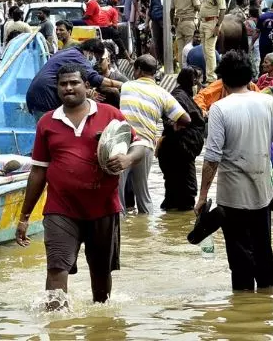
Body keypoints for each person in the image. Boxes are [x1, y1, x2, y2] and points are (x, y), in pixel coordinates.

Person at [16, 63, 147, 309]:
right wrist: (24, 216)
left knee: (101, 273)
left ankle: (102, 324)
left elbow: (140, 146)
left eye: (74, 83)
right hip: (60, 209)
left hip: (103, 208)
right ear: (57, 88)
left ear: (87, 86)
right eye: (63, 84)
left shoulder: (111, 114)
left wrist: (128, 158)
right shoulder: (47, 122)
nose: (68, 88)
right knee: (56, 268)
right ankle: (57, 325)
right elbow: (38, 171)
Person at [196, 51, 273, 291]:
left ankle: (242, 307)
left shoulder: (220, 109)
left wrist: (202, 196)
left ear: (222, 79)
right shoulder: (269, 102)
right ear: (250, 76)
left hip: (232, 195)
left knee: (239, 254)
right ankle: (266, 302)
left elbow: (212, 158)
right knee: (264, 248)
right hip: (263, 191)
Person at [119, 55, 191, 214]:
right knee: (143, 195)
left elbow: (112, 87)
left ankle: (123, 234)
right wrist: (174, 123)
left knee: (118, 196)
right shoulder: (163, 93)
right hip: (146, 146)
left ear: (137, 70)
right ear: (154, 72)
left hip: (125, 144)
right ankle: (146, 232)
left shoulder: (127, 86)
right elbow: (186, 118)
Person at [25, 39, 124, 118]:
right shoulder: (78, 57)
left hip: (37, 92)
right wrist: (123, 85)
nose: (96, 62)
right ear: (91, 52)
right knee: (51, 130)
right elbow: (94, 78)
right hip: (46, 93)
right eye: (97, 58)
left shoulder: (69, 52)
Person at [158, 67, 205, 211]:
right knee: (185, 191)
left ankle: (172, 227)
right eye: (198, 80)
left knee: (175, 191)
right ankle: (181, 227)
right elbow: (170, 119)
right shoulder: (179, 97)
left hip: (178, 150)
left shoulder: (182, 95)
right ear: (193, 81)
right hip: (177, 151)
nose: (199, 84)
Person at [200, 0, 227, 83]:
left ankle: (212, 78)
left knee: (209, 50)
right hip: (203, 23)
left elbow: (223, 9)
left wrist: (217, 26)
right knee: (205, 51)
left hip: (212, 23)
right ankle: (208, 76)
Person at [171, 0, 201, 67]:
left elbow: (172, 9)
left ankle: (182, 70)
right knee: (189, 48)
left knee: (180, 49)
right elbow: (197, 6)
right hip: (189, 21)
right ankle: (190, 69)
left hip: (178, 23)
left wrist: (172, 22)